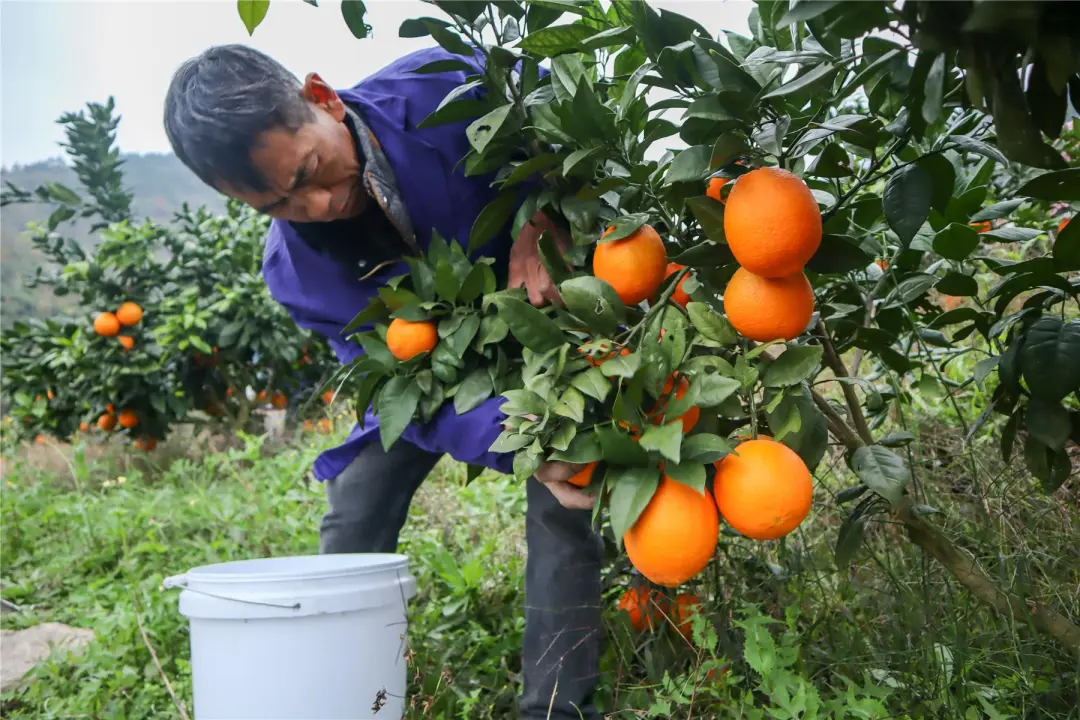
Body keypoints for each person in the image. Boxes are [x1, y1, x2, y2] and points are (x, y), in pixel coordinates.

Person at [163, 43, 603, 718]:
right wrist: (515, 438)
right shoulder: (298, 275)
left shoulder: (445, 86)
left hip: (548, 320)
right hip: (431, 374)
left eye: (309, 170)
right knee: (355, 505)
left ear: (322, 98)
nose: (316, 204)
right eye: (278, 203)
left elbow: (567, 117)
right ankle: (338, 690)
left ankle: (554, 707)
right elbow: (404, 386)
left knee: (563, 501)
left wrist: (543, 213)